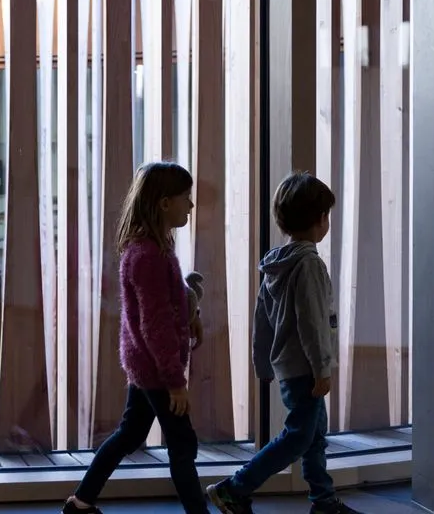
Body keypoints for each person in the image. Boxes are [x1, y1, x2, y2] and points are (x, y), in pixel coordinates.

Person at [206, 172, 361, 514]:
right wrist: (322, 368)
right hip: (306, 369)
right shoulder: (309, 265)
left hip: (289, 368)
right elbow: (313, 323)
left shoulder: (276, 265)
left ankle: (323, 501)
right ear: (321, 220)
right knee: (299, 437)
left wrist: (262, 363)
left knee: (313, 436)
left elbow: (262, 321)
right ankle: (235, 487)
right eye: (328, 217)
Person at [62, 161, 207, 514]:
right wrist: (175, 382)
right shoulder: (147, 256)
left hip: (145, 365)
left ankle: (80, 503)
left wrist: (192, 317)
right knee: (182, 443)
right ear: (163, 203)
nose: (190, 205)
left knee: (130, 434)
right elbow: (154, 325)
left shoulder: (154, 249)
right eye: (185, 198)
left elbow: (168, 301)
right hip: (156, 370)